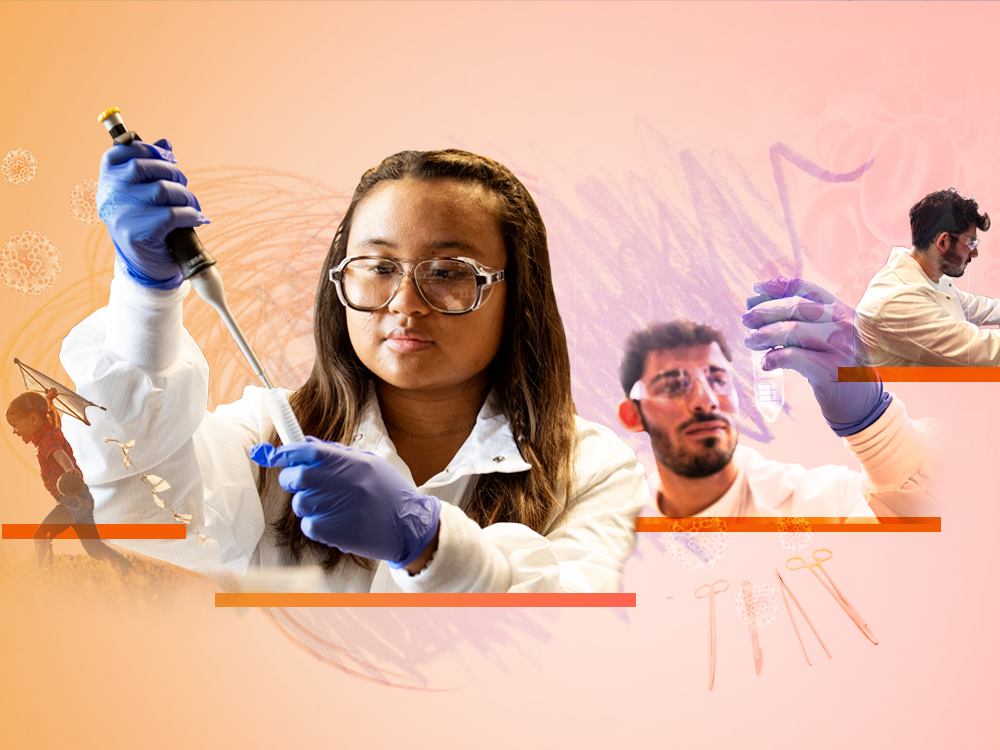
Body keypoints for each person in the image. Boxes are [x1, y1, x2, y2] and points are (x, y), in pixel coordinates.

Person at [59, 141, 646, 592]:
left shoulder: (592, 470)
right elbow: (149, 519)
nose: (404, 305)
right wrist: (146, 297)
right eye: (377, 266)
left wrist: (428, 543)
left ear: (518, 293)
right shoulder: (265, 435)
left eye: (447, 272)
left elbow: (572, 638)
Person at [616, 278, 941, 519]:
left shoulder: (829, 501)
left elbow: (953, 524)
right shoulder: (609, 531)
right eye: (674, 386)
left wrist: (877, 429)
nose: (706, 401)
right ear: (633, 415)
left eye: (716, 379)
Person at [856, 188, 995, 367]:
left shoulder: (931, 276)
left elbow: (978, 308)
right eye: (970, 243)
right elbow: (982, 351)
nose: (974, 253)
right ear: (943, 241)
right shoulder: (898, 300)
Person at [6, 388, 132, 574]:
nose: (15, 431)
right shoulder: (51, 432)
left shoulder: (46, 439)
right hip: (81, 500)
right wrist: (47, 401)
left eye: (15, 425)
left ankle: (45, 573)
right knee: (94, 548)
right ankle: (125, 568)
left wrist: (69, 469)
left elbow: (59, 454)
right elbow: (48, 421)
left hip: (73, 501)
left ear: (33, 420)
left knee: (41, 535)